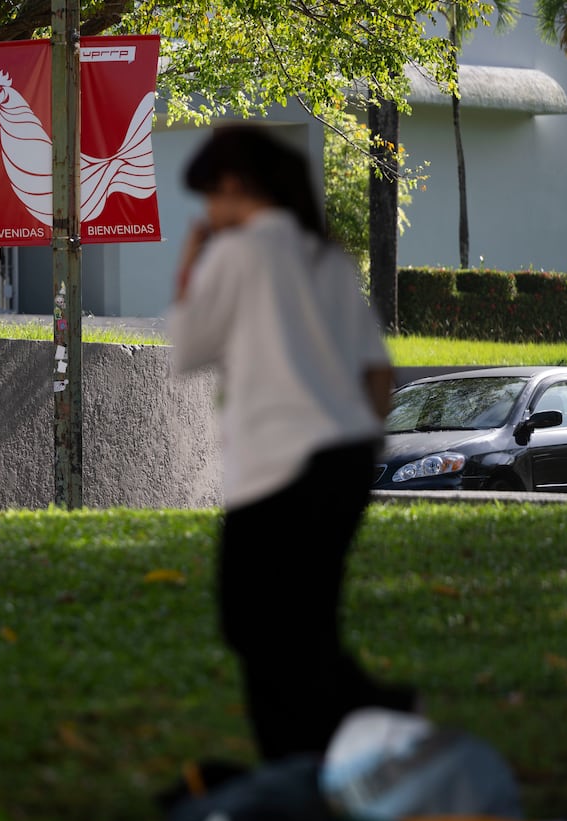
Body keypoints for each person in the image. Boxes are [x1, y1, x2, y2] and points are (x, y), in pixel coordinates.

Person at [165, 124, 417, 762]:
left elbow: (188, 349)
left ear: (232, 185)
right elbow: (379, 375)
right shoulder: (323, 257)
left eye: (208, 201)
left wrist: (193, 254)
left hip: (278, 463)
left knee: (251, 622)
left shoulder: (236, 254)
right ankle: (359, 729)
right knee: (307, 623)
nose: (207, 215)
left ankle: (307, 755)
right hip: (348, 456)